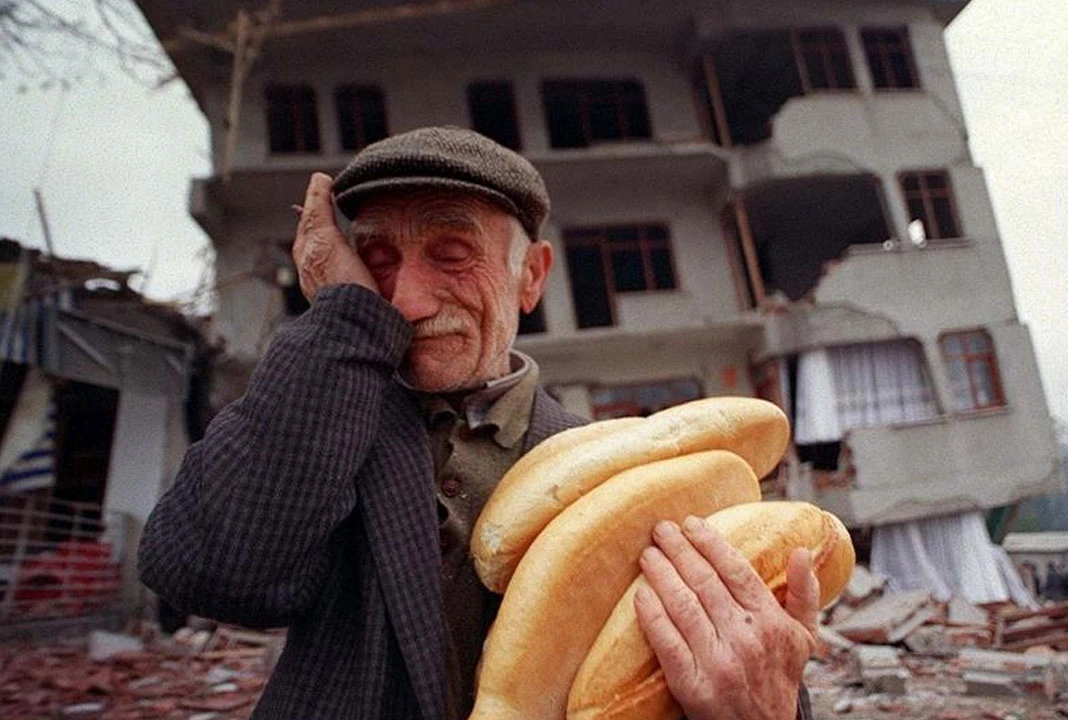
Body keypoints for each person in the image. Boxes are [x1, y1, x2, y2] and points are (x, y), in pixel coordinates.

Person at [138, 127, 820, 720]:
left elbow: (703, 671)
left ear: (532, 277)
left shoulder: (626, 471)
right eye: (377, 262)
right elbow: (207, 571)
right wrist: (344, 316)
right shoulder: (323, 425)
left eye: (452, 253)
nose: (404, 300)